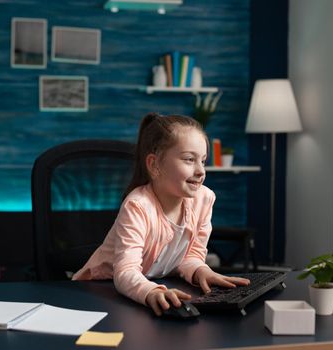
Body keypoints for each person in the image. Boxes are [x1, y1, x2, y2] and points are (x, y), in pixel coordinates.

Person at [72, 112, 250, 316]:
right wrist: (151, 292)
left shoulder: (204, 199)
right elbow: (125, 272)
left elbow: (190, 256)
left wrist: (202, 271)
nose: (201, 170)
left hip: (150, 284)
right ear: (154, 165)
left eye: (203, 160)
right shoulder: (137, 206)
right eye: (190, 159)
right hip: (100, 293)